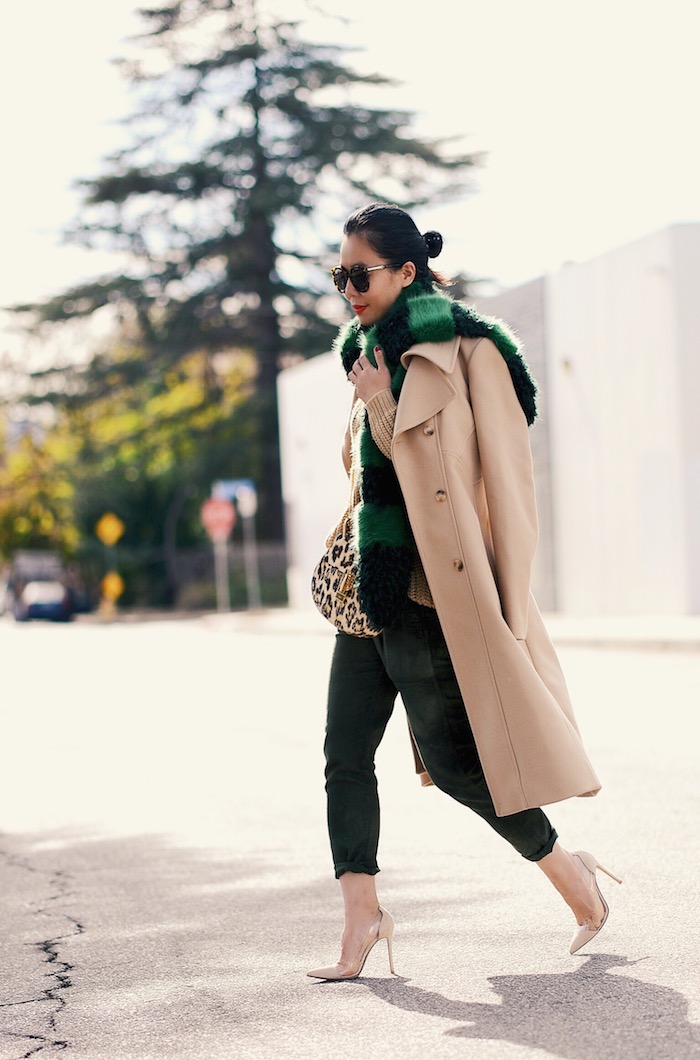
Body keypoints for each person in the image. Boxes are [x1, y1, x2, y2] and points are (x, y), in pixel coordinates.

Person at [307, 202, 621, 982]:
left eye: (360, 273)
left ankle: (570, 874)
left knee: (455, 768)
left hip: (429, 595)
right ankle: (361, 920)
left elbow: (501, 482)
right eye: (339, 274)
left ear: (407, 271)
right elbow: (363, 480)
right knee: (344, 755)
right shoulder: (365, 353)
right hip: (367, 595)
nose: (348, 288)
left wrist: (512, 598)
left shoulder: (470, 353)